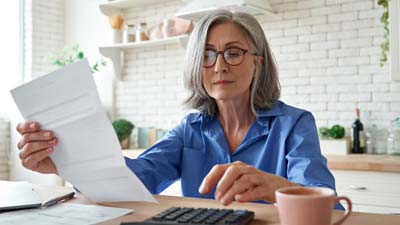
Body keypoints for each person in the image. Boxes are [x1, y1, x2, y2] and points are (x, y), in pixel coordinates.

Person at [16, 10, 342, 209]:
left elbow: (329, 206)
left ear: (258, 63)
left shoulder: (294, 124)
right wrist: (64, 162)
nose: (218, 66)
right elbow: (138, 178)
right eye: (207, 54)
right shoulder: (190, 129)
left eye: (233, 53)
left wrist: (273, 186)